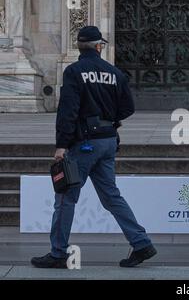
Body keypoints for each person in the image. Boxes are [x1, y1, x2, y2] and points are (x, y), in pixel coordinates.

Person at [31, 26, 156, 268]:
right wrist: (110, 119)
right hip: (108, 142)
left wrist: (61, 145)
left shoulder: (74, 72)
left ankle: (58, 253)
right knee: (111, 196)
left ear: (79, 46)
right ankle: (141, 243)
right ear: (99, 46)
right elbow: (128, 108)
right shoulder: (115, 73)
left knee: (66, 198)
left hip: (85, 144)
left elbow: (67, 111)